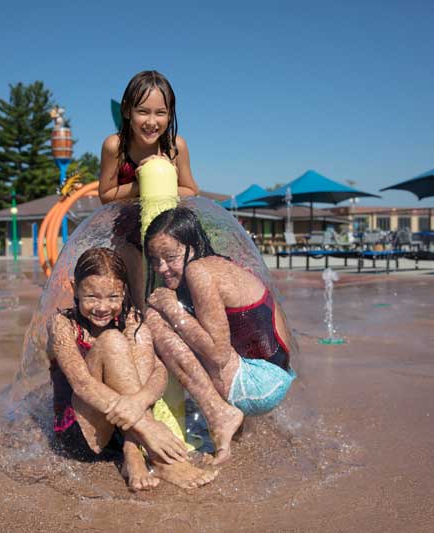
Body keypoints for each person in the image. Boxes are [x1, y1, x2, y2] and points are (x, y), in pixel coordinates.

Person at [47, 247, 217, 490]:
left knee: (139, 334)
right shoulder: (62, 325)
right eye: (92, 297)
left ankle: (132, 451)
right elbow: (82, 384)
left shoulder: (130, 318)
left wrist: (139, 402)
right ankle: (157, 458)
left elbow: (159, 371)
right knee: (112, 341)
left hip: (123, 430)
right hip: (82, 433)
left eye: (113, 297)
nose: (102, 307)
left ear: (123, 291)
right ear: (75, 289)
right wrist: (149, 425)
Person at [143, 208, 297, 465]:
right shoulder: (219, 264)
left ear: (193, 245)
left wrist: (170, 308)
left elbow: (218, 353)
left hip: (259, 384)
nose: (162, 268)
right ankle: (238, 427)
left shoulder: (199, 272)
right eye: (154, 260)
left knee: (155, 318)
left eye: (170, 257)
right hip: (276, 375)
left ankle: (219, 413)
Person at [99, 70, 199, 204]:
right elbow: (105, 196)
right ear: (127, 110)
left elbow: (191, 191)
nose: (151, 122)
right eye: (143, 111)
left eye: (160, 113)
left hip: (168, 223)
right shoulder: (116, 146)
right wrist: (143, 183)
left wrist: (165, 180)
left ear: (170, 115)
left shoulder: (175, 146)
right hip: (128, 223)